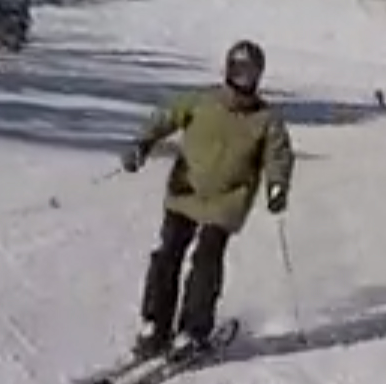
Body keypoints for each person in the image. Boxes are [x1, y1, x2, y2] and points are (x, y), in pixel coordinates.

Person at [121, 39, 295, 359]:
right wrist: (142, 143)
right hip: (186, 188)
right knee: (167, 255)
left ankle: (193, 331)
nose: (243, 79)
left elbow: (279, 155)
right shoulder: (202, 101)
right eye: (238, 71)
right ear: (228, 70)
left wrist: (277, 186)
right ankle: (154, 324)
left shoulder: (266, 119)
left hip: (228, 199)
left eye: (250, 73)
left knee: (206, 260)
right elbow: (166, 117)